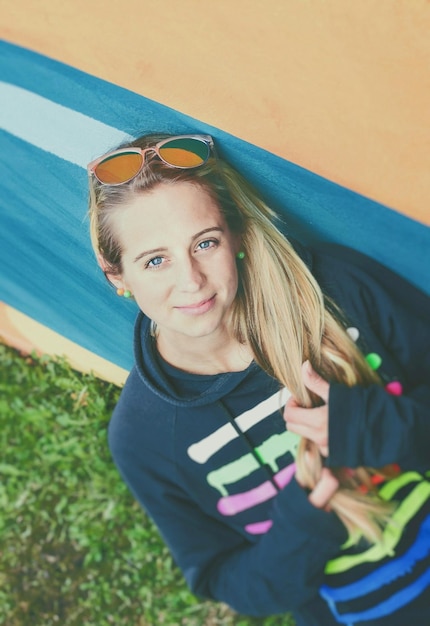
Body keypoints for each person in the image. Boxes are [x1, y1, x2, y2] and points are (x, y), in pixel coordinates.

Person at [87, 133, 430, 626]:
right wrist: (305, 525)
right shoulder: (143, 435)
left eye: (205, 243)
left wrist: (380, 427)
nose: (191, 280)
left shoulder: (336, 293)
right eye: (155, 260)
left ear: (238, 236)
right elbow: (231, 583)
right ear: (115, 273)